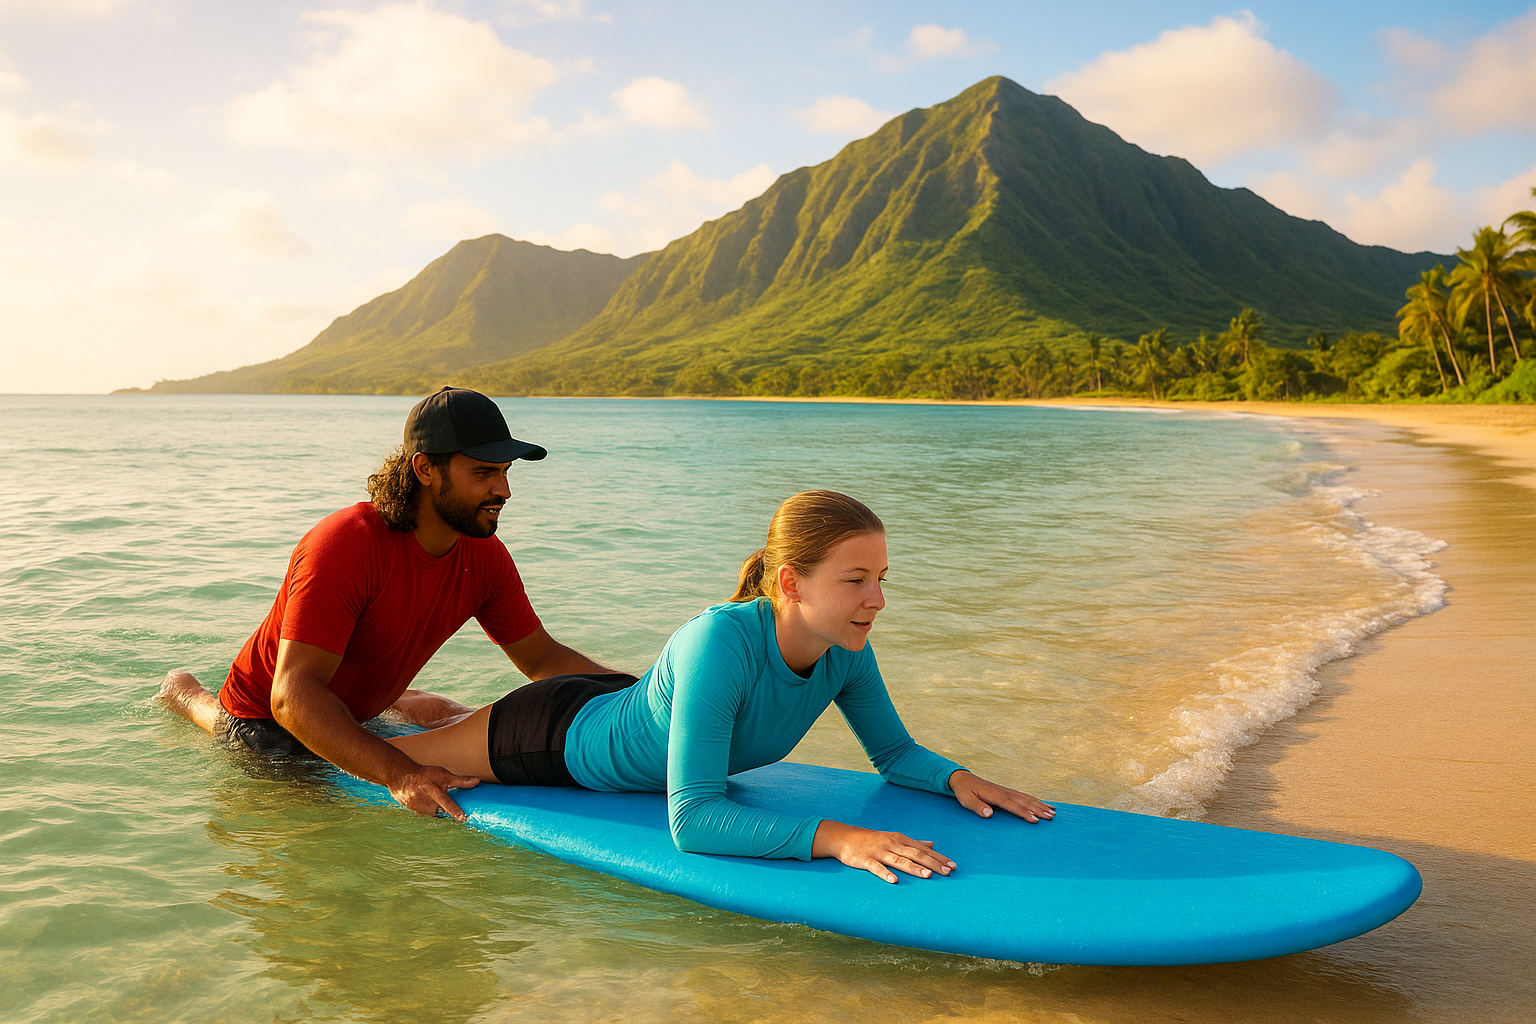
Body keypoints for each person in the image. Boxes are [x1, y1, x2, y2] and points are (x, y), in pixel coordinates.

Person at [388, 490, 1055, 883]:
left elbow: (896, 755)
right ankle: (383, 713)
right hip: (553, 737)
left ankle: (422, 705)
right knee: (389, 755)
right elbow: (695, 821)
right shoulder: (721, 643)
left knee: (434, 726)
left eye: (882, 577)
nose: (877, 599)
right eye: (855, 580)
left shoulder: (844, 647)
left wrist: (958, 778)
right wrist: (841, 839)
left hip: (618, 700)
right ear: (791, 583)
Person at [158, 386, 624, 822]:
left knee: (442, 710)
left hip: (351, 708)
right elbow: (290, 699)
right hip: (271, 723)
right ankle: (187, 693)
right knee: (310, 815)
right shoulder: (344, 545)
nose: (503, 491)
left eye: (504, 473)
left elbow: (542, 658)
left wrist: (644, 696)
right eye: (483, 473)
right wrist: (400, 775)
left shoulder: (483, 555)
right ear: (425, 470)